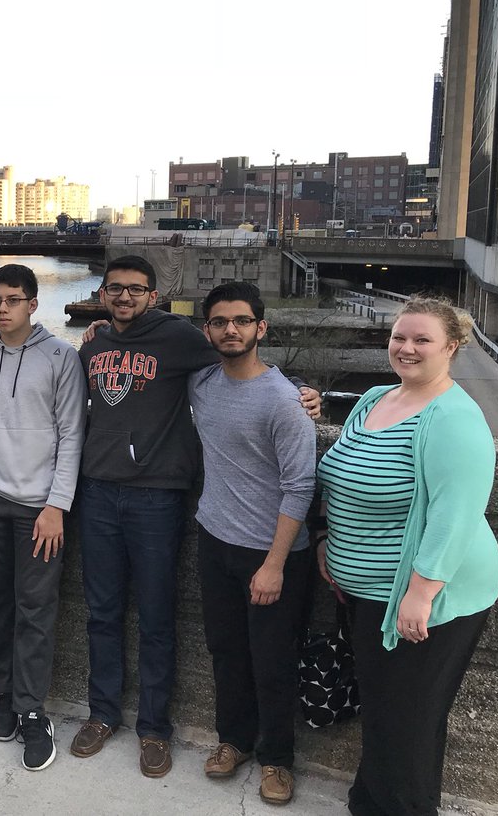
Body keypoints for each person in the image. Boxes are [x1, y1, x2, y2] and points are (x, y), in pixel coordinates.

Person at [73, 255, 320, 777]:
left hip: (158, 497)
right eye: (114, 289)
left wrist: (301, 388)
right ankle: (102, 714)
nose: (124, 298)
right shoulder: (92, 340)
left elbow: (247, 363)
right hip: (98, 493)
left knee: (160, 618)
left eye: (136, 289)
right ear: (101, 293)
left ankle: (155, 729)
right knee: (102, 612)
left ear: (154, 295)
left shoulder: (181, 338)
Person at [316, 297, 498, 816]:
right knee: (382, 708)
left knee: (409, 718)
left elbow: (454, 515)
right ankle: (369, 801)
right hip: (366, 589)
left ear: (453, 347)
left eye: (423, 340)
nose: (407, 347)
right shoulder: (374, 397)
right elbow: (343, 477)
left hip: (424, 598)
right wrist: (334, 541)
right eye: (400, 337)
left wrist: (420, 595)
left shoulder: (454, 419)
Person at [0, 264, 85, 771]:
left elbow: (72, 434)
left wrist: (56, 506)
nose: (2, 308)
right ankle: (3, 695)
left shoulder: (61, 358)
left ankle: (32, 710)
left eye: (12, 299)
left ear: (33, 304)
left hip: (37, 508)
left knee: (35, 609)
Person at [189, 282, 315, 805]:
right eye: (220, 322)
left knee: (273, 661)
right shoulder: (201, 383)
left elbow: (300, 485)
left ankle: (277, 760)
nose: (231, 330)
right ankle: (234, 740)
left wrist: (275, 564)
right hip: (214, 539)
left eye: (241, 321)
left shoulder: (285, 401)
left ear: (260, 328)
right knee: (225, 651)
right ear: (208, 331)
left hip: (272, 553)